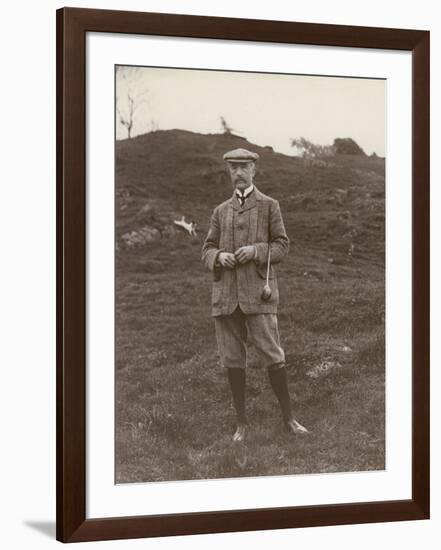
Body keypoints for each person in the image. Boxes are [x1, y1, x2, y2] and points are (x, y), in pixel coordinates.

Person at [201, 148, 309, 442]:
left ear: (254, 170)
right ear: (228, 171)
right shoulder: (220, 211)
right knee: (233, 360)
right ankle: (241, 424)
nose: (238, 172)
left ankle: (289, 419)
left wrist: (256, 251)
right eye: (233, 167)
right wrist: (218, 256)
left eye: (243, 167)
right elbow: (206, 249)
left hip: (259, 295)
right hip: (226, 298)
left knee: (274, 356)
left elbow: (282, 246)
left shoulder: (270, 206)